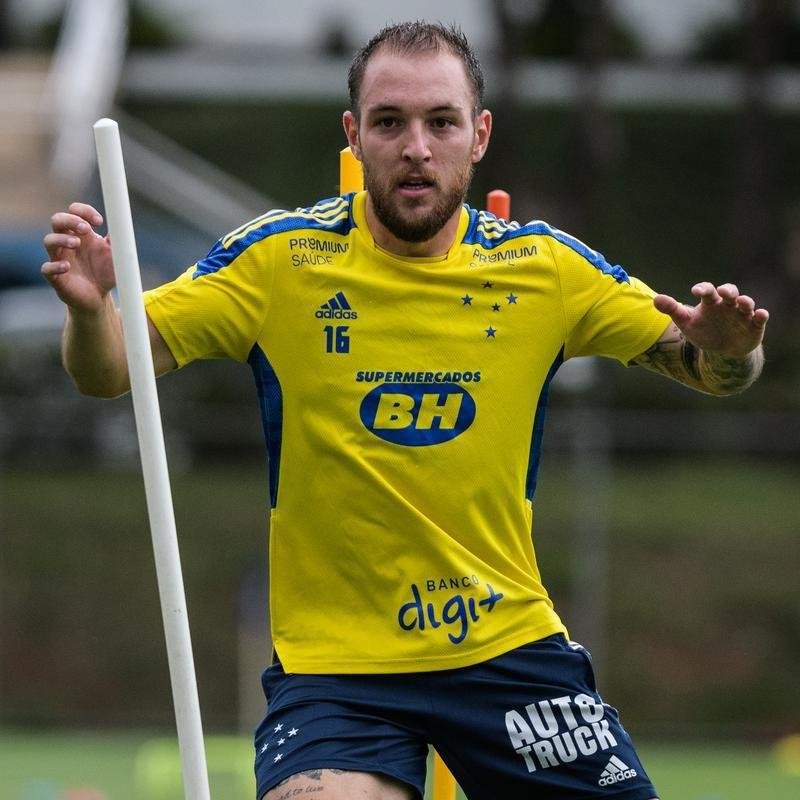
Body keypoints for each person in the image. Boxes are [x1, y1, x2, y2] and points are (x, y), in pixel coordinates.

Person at [42, 21, 768, 800]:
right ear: (355, 136)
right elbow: (113, 371)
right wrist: (90, 311)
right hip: (337, 673)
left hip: (507, 652)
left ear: (479, 134)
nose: (416, 146)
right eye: (390, 122)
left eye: (441, 122)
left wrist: (731, 348)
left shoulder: (545, 268)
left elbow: (715, 371)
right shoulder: (277, 261)